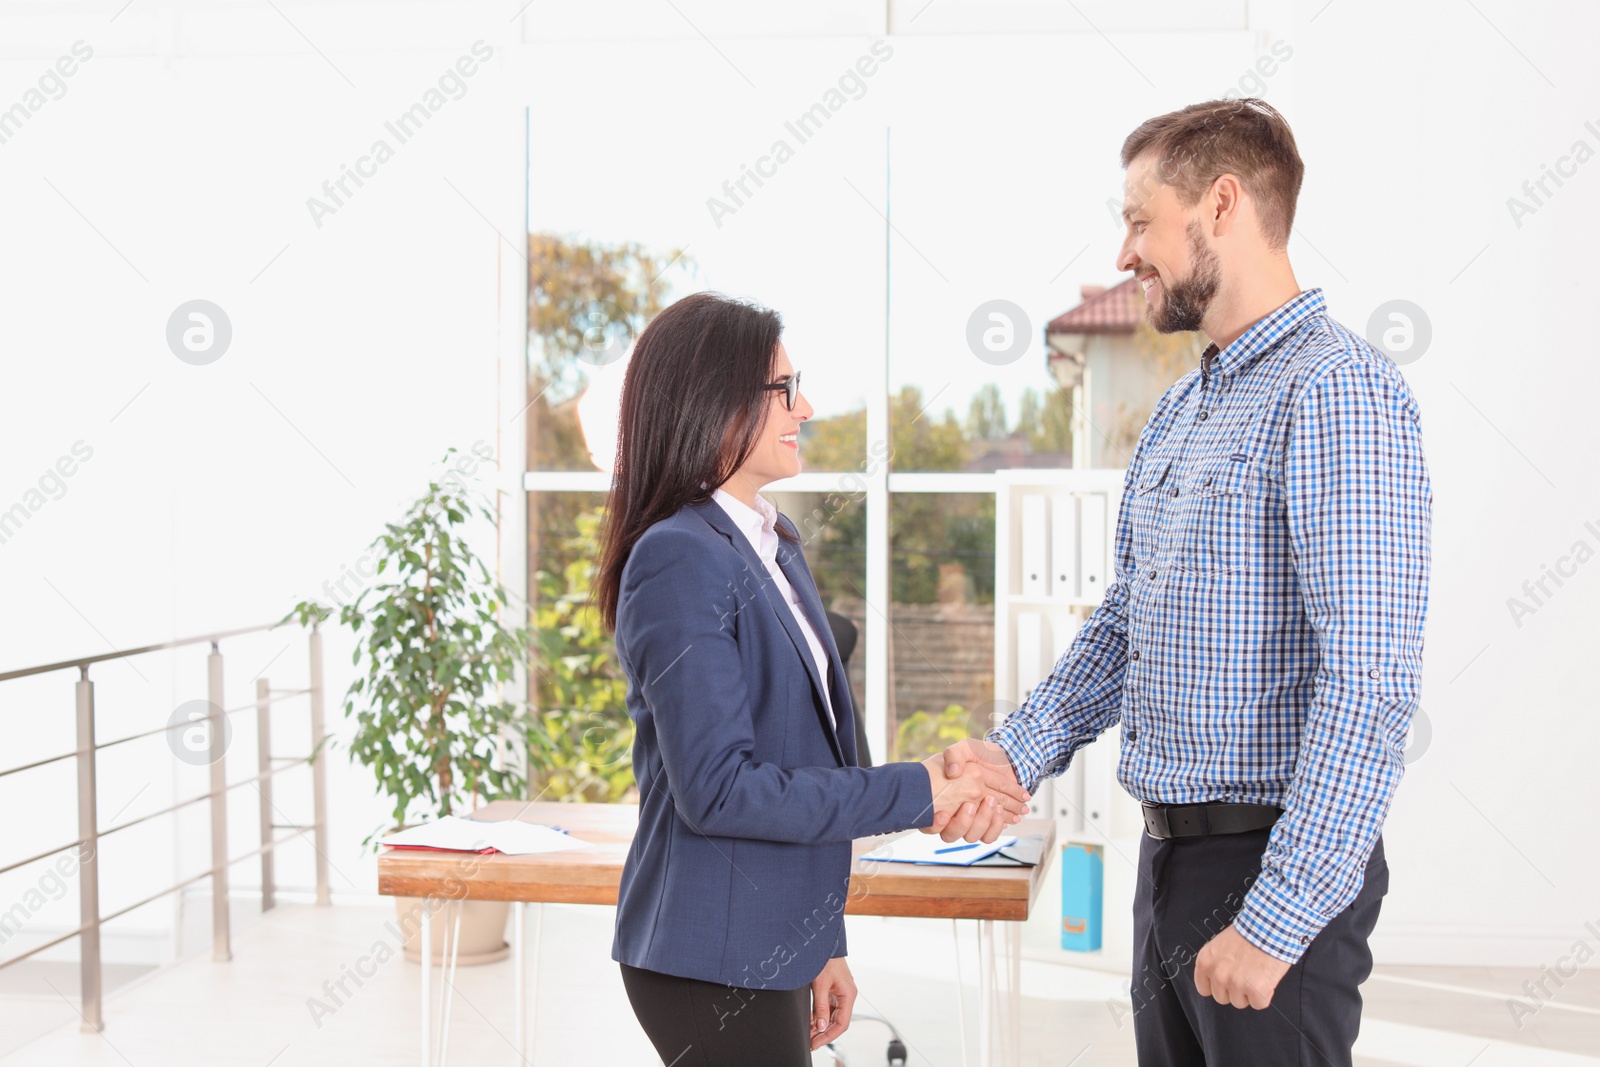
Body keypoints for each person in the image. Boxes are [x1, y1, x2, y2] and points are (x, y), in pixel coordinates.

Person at [935, 98, 1432, 1066]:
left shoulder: (1338, 390)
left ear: (1221, 202)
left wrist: (1278, 916)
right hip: (1170, 858)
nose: (1125, 253)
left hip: (1269, 866)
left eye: (1137, 219)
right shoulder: (1184, 406)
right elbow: (1128, 621)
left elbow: (1369, 679)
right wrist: (1013, 753)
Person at [595, 291, 1032, 1066]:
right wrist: (923, 786)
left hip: (766, 937)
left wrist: (820, 939)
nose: (808, 406)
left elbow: (816, 759)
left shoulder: (772, 541)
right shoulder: (677, 556)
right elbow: (722, 790)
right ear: (716, 399)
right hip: (707, 955)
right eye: (785, 389)